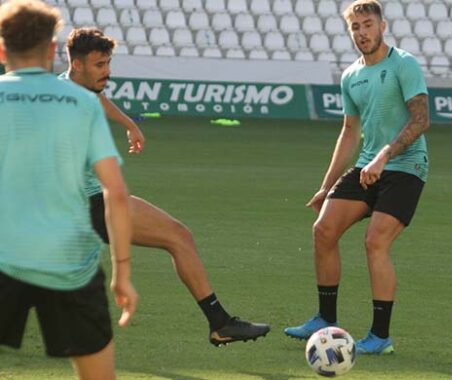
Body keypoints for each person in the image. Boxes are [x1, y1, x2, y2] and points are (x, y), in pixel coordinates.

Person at [62, 27, 270, 346]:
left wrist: (129, 124)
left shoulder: (73, 88)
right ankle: (220, 323)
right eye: (100, 65)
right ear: (77, 64)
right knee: (178, 237)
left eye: (108, 63)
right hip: (90, 203)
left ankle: (220, 323)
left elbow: (98, 100)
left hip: (88, 201)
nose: (108, 71)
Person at [284, 0, 430, 355]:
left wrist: (384, 155)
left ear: (382, 26)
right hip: (367, 167)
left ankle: (380, 337)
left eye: (368, 25)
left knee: (375, 240)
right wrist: (326, 186)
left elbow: (421, 119)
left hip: (406, 166)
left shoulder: (404, 64)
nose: (362, 33)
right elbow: (349, 132)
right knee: (323, 229)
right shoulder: (351, 76)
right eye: (355, 27)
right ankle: (325, 319)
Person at [0, 0, 136, 378]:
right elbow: (117, 193)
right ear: (50, 51)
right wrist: (121, 272)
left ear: (1, 49)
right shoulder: (83, 102)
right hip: (69, 262)